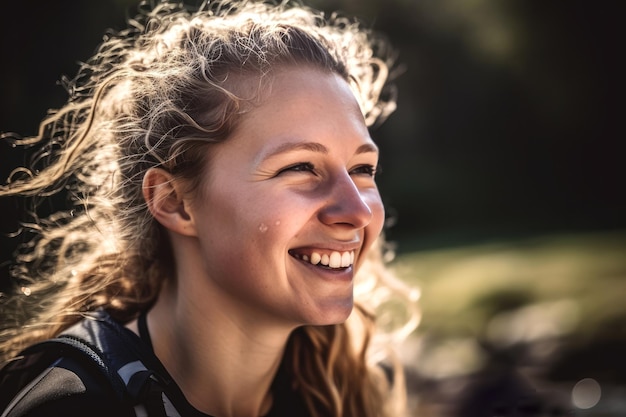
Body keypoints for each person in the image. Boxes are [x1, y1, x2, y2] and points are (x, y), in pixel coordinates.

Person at [0, 1, 419, 416]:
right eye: (300, 167)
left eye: (363, 168)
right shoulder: (73, 406)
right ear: (174, 202)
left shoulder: (340, 394)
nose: (357, 211)